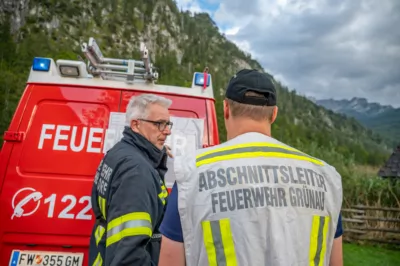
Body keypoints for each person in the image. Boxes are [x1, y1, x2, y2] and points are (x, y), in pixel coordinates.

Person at [158, 69, 344, 266]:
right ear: (273, 114)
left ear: (226, 109)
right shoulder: (326, 177)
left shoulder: (192, 174)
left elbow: (170, 261)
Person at [88, 93, 174, 266]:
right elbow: (129, 256)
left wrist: (158, 156)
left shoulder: (120, 152)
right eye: (159, 124)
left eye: (168, 124)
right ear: (136, 124)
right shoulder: (137, 171)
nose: (167, 131)